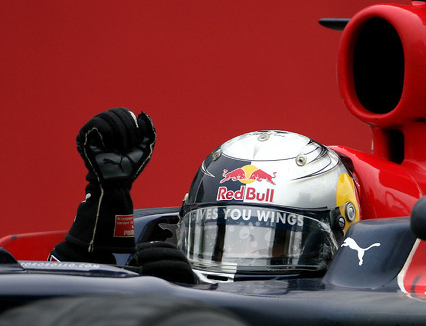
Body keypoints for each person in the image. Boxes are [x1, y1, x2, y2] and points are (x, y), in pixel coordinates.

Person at [51, 108, 361, 284]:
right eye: (221, 240)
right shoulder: (170, 276)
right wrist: (106, 205)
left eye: (275, 242)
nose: (242, 259)